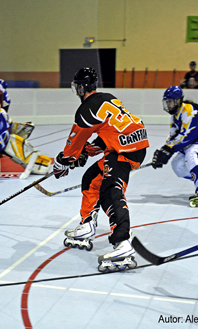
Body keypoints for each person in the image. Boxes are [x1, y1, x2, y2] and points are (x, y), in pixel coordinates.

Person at [53, 67, 149, 272]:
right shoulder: (108, 98)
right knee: (91, 178)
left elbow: (73, 143)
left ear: (80, 88)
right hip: (134, 143)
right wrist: (87, 152)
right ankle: (87, 225)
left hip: (125, 152)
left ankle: (122, 243)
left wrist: (63, 162)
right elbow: (109, 132)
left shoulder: (86, 109)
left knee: (110, 190)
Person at [151, 86, 198, 207]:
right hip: (192, 141)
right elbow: (172, 136)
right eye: (167, 102)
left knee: (192, 154)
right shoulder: (174, 116)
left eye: (170, 102)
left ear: (177, 101)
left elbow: (187, 134)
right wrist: (164, 151)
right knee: (177, 166)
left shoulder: (188, 110)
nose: (168, 105)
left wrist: (169, 149)